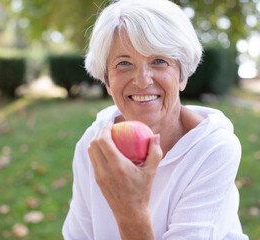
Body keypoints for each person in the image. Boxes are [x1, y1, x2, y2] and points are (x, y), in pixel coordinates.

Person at [62, 0, 249, 239]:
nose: (142, 80)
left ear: (182, 75)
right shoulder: (96, 143)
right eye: (124, 63)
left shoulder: (213, 148)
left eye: (159, 61)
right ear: (107, 81)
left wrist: (130, 211)